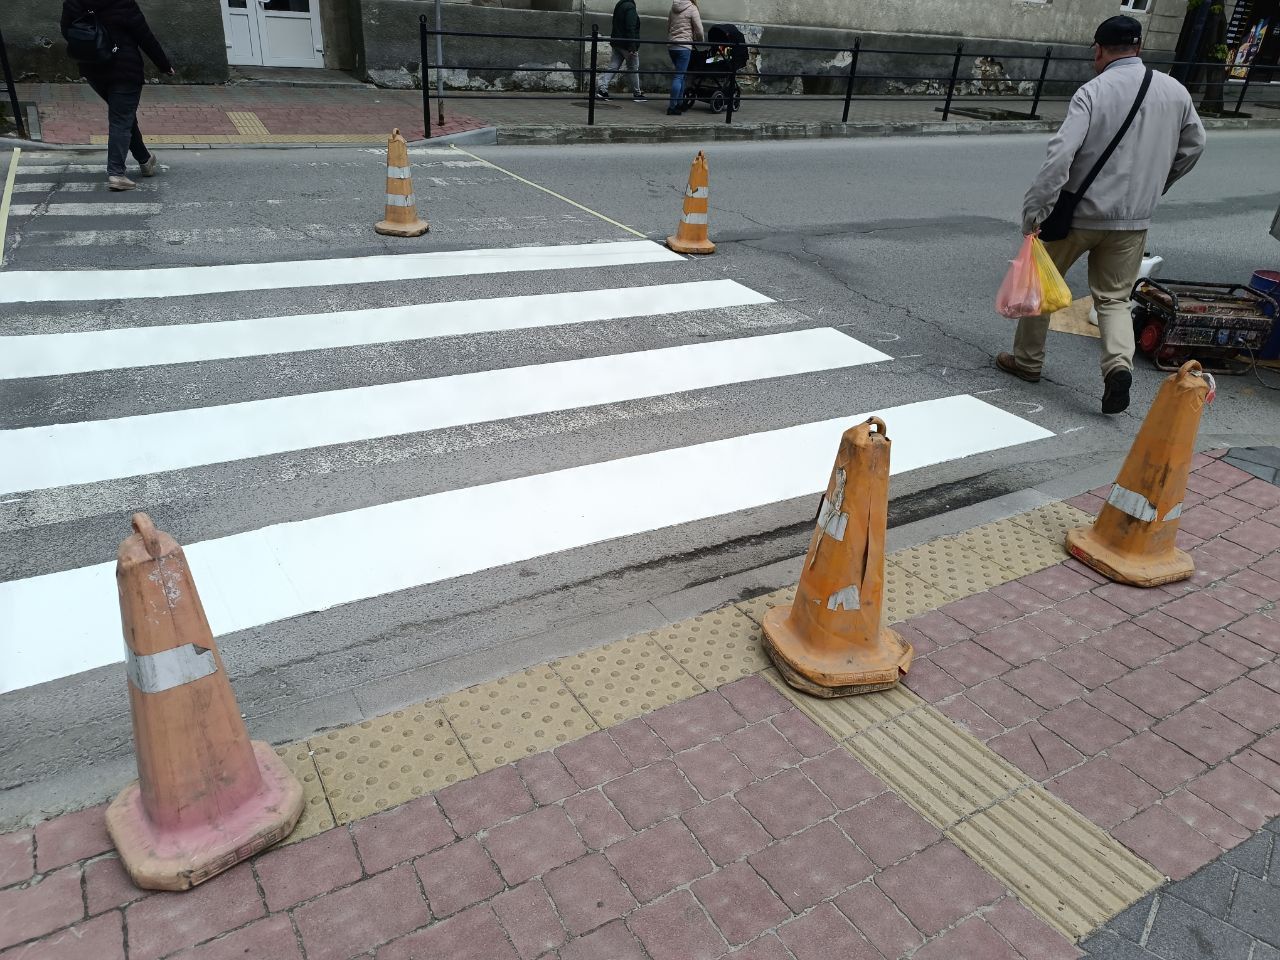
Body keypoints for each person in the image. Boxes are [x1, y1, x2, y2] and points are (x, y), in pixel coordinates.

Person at [997, 15, 1205, 414]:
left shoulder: (1093, 92)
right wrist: (1159, 184)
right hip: (1133, 220)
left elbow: (1060, 158)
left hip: (1078, 214)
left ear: (1099, 49)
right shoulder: (1175, 91)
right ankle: (1117, 369)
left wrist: (1033, 212)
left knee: (1041, 286)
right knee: (1113, 299)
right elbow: (1194, 145)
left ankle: (1027, 362)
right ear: (1139, 48)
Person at [60, 0, 175, 192]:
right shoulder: (123, 2)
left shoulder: (73, 2)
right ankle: (116, 173)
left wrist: (94, 45)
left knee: (123, 116)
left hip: (94, 68)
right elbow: (144, 35)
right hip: (124, 68)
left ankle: (145, 160)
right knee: (121, 119)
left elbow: (67, 31)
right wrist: (163, 65)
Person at [597, 0, 646, 103]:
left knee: (613, 66)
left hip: (617, 42)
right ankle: (637, 94)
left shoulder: (620, 5)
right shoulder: (630, 8)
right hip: (626, 44)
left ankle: (602, 89)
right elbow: (630, 27)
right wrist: (632, 46)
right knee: (633, 67)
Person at [666, 0, 704, 116]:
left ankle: (680, 103)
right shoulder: (692, 8)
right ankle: (672, 107)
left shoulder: (673, 8)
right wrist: (700, 40)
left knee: (682, 76)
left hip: (672, 46)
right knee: (679, 76)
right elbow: (699, 29)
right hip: (684, 47)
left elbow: (668, 26)